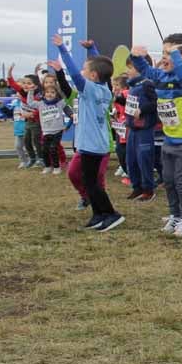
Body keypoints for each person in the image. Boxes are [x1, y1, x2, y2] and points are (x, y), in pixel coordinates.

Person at [130, 33, 182, 239]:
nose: (164, 57)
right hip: (169, 140)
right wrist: (136, 56)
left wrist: (175, 55)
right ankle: (176, 215)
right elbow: (145, 69)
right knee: (169, 181)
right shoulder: (161, 76)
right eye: (163, 52)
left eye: (169, 53)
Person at [53, 34, 123, 232]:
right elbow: (103, 68)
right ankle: (98, 215)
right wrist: (92, 50)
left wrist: (62, 49)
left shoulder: (90, 89)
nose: (81, 71)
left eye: (86, 69)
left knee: (92, 183)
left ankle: (111, 213)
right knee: (90, 181)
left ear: (92, 76)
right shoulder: (105, 89)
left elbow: (75, 74)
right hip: (94, 143)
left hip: (92, 145)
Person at [124, 54, 160, 202]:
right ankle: (136, 186)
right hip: (132, 128)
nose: (128, 71)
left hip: (144, 128)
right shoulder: (132, 86)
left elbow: (156, 102)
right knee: (131, 160)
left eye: (130, 68)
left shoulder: (147, 84)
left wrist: (143, 110)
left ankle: (148, 189)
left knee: (144, 159)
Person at [27, 76, 73, 174]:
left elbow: (67, 109)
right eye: (47, 92)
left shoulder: (60, 102)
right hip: (46, 131)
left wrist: (71, 115)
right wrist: (30, 91)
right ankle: (48, 166)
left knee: (53, 148)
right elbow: (30, 103)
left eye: (52, 92)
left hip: (58, 130)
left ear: (56, 93)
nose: (50, 94)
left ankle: (57, 167)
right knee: (44, 149)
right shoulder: (40, 103)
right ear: (44, 93)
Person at [8, 67, 43, 168]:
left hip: (37, 122)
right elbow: (13, 84)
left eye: (29, 83)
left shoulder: (38, 96)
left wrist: (32, 114)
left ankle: (41, 158)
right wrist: (9, 73)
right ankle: (32, 158)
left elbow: (41, 108)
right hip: (28, 122)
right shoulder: (23, 93)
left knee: (36, 141)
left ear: (36, 86)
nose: (25, 85)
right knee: (27, 141)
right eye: (24, 83)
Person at [10, 95, 27, 168]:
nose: (18, 94)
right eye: (17, 92)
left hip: (27, 129)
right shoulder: (15, 103)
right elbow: (10, 114)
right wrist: (2, 107)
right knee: (18, 146)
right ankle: (23, 161)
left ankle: (37, 160)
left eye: (20, 93)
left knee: (30, 147)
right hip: (18, 130)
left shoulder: (27, 102)